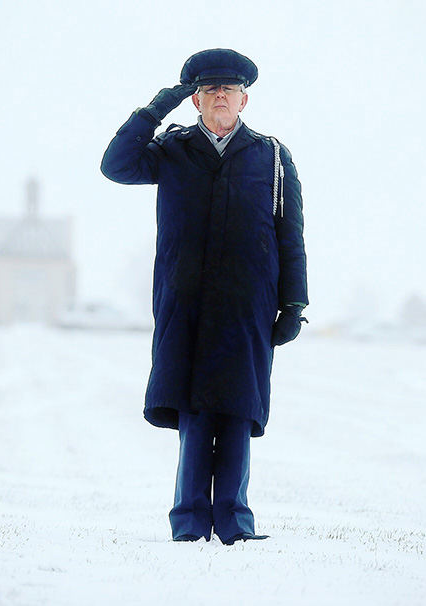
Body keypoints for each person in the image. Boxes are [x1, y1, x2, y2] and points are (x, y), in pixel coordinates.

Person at [101, 48, 308, 545]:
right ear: (195, 100)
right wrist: (156, 108)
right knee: (193, 412)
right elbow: (115, 165)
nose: (220, 96)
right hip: (186, 303)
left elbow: (290, 234)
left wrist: (294, 302)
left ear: (244, 99)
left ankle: (235, 522)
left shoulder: (272, 157)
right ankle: (189, 522)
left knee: (238, 410)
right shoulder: (171, 150)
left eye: (229, 89)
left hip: (247, 305)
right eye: (210, 89)